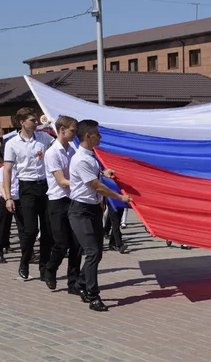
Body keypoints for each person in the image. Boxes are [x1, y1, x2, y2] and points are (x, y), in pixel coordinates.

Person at [69, 119, 132, 311]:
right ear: (88, 136)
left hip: (92, 209)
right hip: (81, 211)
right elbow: (95, 186)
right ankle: (92, 295)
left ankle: (81, 283)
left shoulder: (90, 156)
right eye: (97, 133)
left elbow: (94, 178)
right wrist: (120, 197)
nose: (100, 136)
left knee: (97, 253)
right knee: (92, 252)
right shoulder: (81, 159)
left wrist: (103, 173)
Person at [3, 107, 54, 280]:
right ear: (22, 122)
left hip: (45, 186)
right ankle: (24, 261)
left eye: (36, 119)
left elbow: (59, 146)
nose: (36, 122)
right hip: (27, 188)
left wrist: (55, 126)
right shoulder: (11, 144)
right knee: (31, 230)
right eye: (32, 120)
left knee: (47, 230)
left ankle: (44, 267)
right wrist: (8, 197)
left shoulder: (44, 137)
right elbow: (8, 171)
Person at [43, 116, 83, 293]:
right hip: (58, 201)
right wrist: (86, 183)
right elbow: (61, 181)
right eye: (72, 130)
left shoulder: (72, 149)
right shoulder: (52, 153)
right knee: (61, 243)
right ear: (61, 130)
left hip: (73, 199)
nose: (75, 134)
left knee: (76, 243)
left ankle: (73, 282)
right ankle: (50, 270)